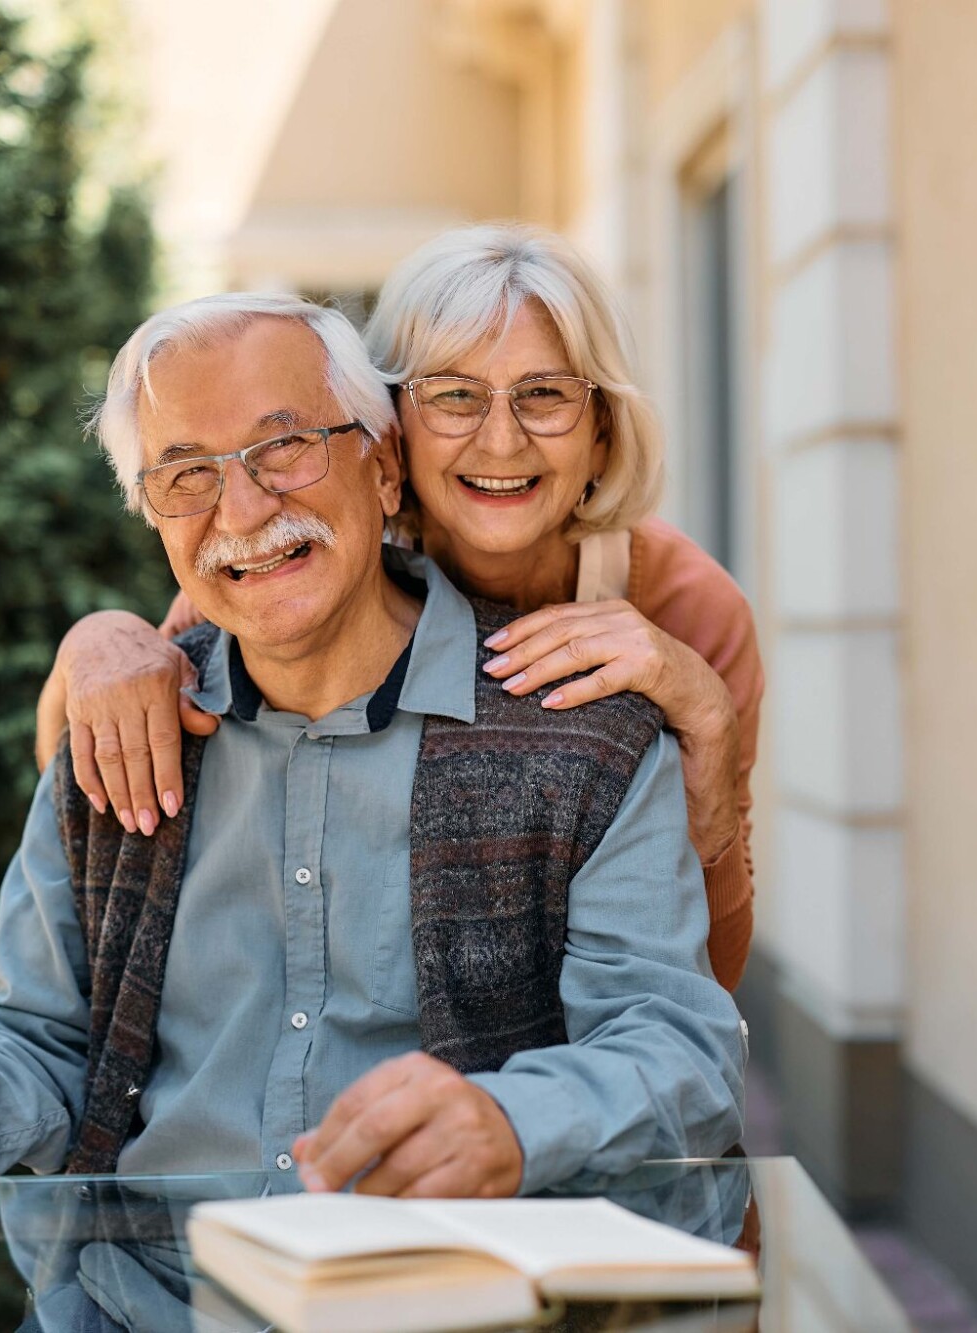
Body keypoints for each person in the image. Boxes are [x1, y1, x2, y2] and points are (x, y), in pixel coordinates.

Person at [0, 293, 743, 1200]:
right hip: (141, 1302)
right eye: (186, 474)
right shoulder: (120, 730)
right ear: (154, 518)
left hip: (433, 1298)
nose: (244, 509)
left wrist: (514, 1123)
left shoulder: (583, 733)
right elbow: (35, 1034)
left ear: (385, 469)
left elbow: (676, 1050)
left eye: (284, 447)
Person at [37, 224, 763, 989]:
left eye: (544, 394)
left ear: (603, 431)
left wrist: (709, 724)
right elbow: (83, 784)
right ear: (391, 429)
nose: (502, 440)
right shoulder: (305, 567)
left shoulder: (688, 609)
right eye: (454, 395)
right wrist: (95, 641)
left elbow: (703, 987)